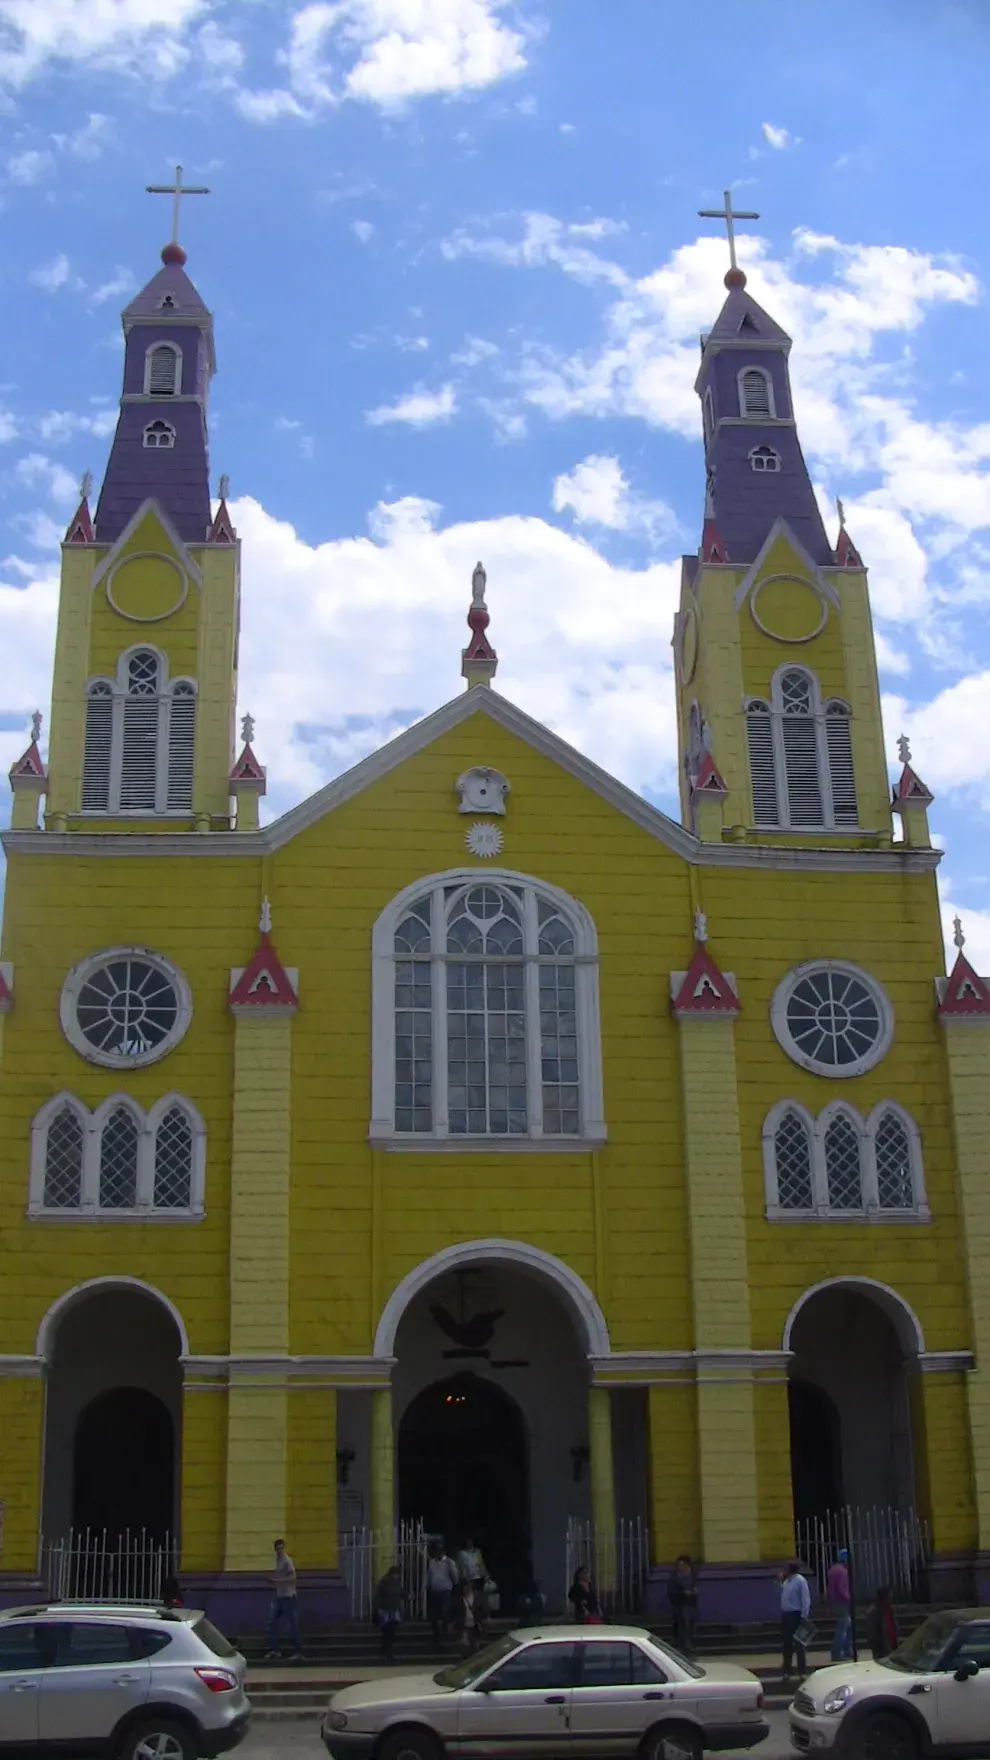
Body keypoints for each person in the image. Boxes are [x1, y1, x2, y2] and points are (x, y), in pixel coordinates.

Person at [265, 1539, 303, 1660]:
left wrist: (277, 1582)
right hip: (280, 1596)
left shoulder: (287, 1560)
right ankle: (275, 1650)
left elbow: (293, 1578)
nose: (280, 1550)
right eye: (278, 1548)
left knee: (292, 1624)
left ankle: (298, 1652)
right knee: (272, 1623)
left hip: (288, 1597)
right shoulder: (278, 1561)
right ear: (275, 1549)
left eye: (282, 1548)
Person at [780, 1560, 812, 1682]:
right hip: (787, 1614)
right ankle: (787, 1670)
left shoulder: (800, 1581)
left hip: (797, 1614)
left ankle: (802, 1670)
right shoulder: (786, 1581)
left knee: (799, 1644)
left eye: (786, 1568)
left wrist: (804, 1615)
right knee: (787, 1644)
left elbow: (805, 1598)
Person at [425, 1542, 459, 1649]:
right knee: (433, 1615)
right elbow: (429, 1575)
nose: (438, 1554)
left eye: (440, 1552)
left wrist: (455, 1585)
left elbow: (455, 1576)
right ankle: (436, 1634)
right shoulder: (432, 1562)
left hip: (445, 1590)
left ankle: (445, 1633)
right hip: (434, 1590)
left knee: (445, 1613)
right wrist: (426, 1586)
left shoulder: (449, 1562)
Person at [456, 1537, 489, 1636]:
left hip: (477, 1577)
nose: (469, 1544)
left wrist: (486, 1575)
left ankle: (479, 1621)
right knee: (467, 1601)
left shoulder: (477, 1552)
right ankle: (471, 1621)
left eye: (470, 1542)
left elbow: (481, 1564)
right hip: (466, 1579)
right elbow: (458, 1566)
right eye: (467, 1542)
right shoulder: (461, 1553)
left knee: (477, 1601)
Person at [667, 1556, 698, 1655]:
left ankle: (689, 1645)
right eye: (679, 1565)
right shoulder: (674, 1577)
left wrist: (694, 1592)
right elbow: (671, 1591)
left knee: (691, 1626)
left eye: (683, 1565)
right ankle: (685, 1647)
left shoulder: (692, 1575)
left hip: (691, 1604)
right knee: (683, 1626)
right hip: (680, 1605)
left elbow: (695, 1586)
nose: (681, 1567)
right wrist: (683, 1593)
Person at [373, 1564, 404, 1663]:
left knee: (390, 1632)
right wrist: (378, 1608)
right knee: (388, 1632)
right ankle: (387, 1651)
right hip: (387, 1611)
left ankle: (386, 1651)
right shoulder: (385, 1583)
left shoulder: (394, 1583)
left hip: (392, 1610)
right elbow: (379, 1596)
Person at [827, 1549, 853, 1661]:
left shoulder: (833, 1569)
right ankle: (837, 1652)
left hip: (834, 1602)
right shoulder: (842, 1571)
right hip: (842, 1602)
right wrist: (849, 1599)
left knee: (848, 1625)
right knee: (842, 1628)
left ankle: (847, 1650)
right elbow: (842, 1589)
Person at [865, 1586, 898, 1659]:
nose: (891, 1599)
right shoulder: (874, 1613)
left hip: (892, 1646)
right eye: (889, 1597)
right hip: (881, 1649)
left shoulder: (891, 1610)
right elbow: (872, 1633)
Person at [452, 1578, 479, 1655]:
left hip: (475, 1623)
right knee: (464, 1644)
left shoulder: (476, 1596)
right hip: (463, 1624)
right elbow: (455, 1611)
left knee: (474, 1643)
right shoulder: (458, 1599)